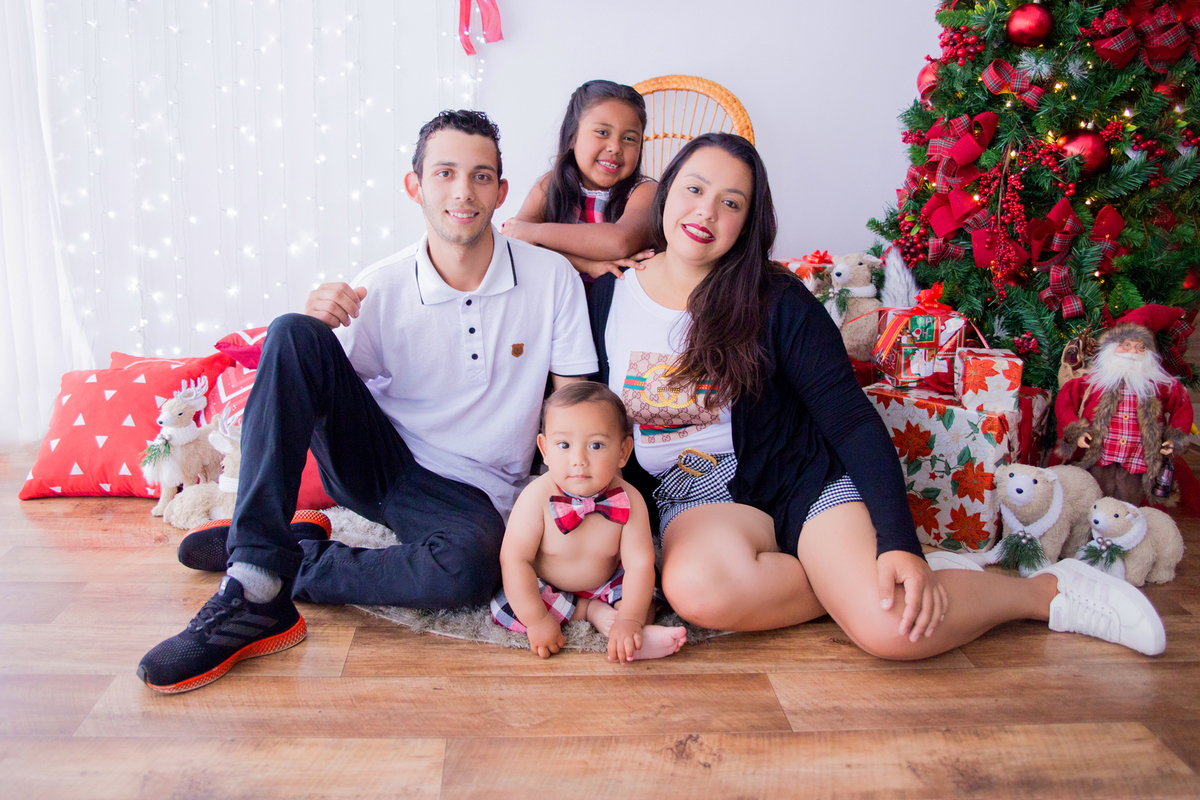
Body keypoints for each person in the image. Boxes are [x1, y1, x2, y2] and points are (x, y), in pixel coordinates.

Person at [587, 132, 1168, 660]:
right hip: (696, 495)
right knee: (695, 591)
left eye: (732, 202)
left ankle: (1044, 592)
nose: (707, 211)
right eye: (694, 188)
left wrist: (897, 542)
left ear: (748, 222)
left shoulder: (776, 299)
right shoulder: (606, 300)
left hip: (800, 479)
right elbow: (586, 420)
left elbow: (851, 422)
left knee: (894, 629)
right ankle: (860, 583)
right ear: (665, 194)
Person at [137, 110, 599, 693]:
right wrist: (312, 325)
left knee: (469, 569)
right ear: (416, 186)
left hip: (473, 492)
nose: (463, 191)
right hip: (381, 464)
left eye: (481, 176)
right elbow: (310, 388)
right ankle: (253, 584)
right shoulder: (379, 284)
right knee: (294, 332)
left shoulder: (551, 278)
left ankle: (284, 556)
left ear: (501, 192)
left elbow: (577, 400)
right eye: (445, 173)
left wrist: (566, 499)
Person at [491, 382, 686, 662]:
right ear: (545, 449)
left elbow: (638, 564)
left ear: (623, 451)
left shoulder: (629, 499)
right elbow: (514, 560)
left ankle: (631, 633)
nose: (579, 460)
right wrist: (536, 621)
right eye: (564, 445)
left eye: (596, 445)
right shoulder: (536, 497)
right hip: (549, 584)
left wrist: (630, 619)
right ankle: (590, 612)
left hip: (607, 582)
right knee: (511, 605)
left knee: (646, 593)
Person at [501, 80, 657, 280]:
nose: (615, 147)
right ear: (572, 137)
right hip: (559, 300)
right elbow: (515, 243)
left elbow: (619, 243)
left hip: (614, 303)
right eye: (602, 132)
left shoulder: (645, 192)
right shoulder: (551, 185)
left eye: (629, 138)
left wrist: (535, 233)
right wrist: (587, 265)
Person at [1056, 307, 1193, 506]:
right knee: (1093, 498)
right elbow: (1065, 400)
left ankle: (1126, 532)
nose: (1132, 351)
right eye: (1126, 344)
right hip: (1100, 456)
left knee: (1129, 506)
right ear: (1112, 348)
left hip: (1136, 459)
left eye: (1141, 347)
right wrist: (1075, 431)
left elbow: (1182, 404)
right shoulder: (1094, 382)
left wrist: (1175, 437)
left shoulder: (1159, 385)